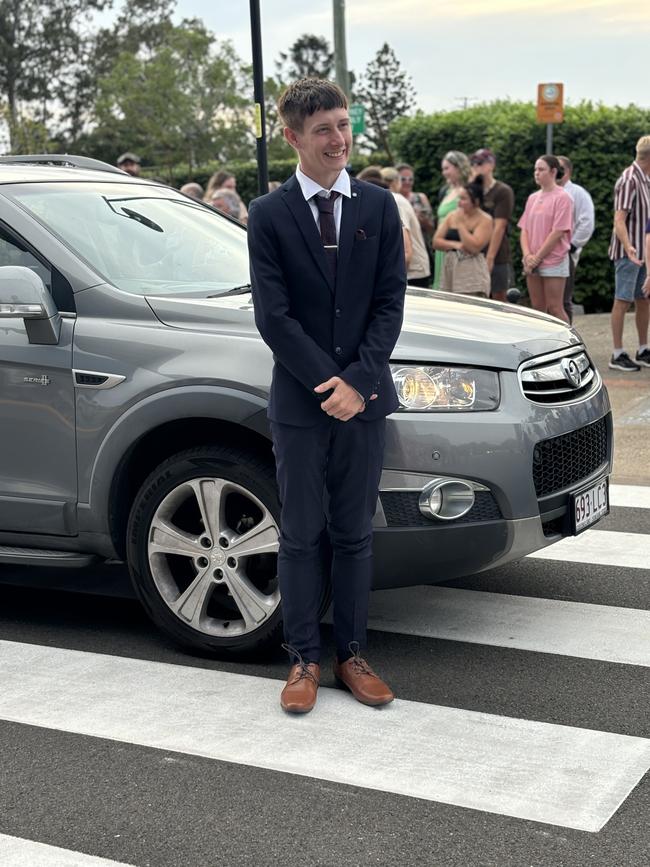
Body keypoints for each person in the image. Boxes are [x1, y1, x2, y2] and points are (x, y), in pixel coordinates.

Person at [247, 78, 406, 714]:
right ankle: (303, 657)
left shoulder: (377, 207)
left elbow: (390, 303)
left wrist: (360, 382)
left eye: (342, 125)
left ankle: (352, 653)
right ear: (292, 137)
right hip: (302, 404)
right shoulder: (267, 215)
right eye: (323, 129)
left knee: (354, 533)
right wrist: (328, 384)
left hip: (365, 400)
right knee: (302, 533)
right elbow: (273, 317)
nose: (338, 138)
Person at [607, 135, 650, 371]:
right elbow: (619, 220)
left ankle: (643, 349)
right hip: (628, 252)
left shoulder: (645, 179)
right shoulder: (629, 180)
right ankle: (617, 353)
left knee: (644, 299)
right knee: (622, 300)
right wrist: (628, 246)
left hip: (644, 252)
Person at [518, 155, 573, 322]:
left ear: (553, 171)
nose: (536, 173)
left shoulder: (563, 197)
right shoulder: (532, 198)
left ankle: (569, 344)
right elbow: (524, 229)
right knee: (537, 309)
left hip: (553, 260)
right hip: (532, 261)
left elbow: (558, 232)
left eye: (541, 169)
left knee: (555, 308)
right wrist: (528, 256)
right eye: (535, 169)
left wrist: (538, 257)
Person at [433, 175, 493, 296]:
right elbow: (436, 242)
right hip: (450, 267)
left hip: (471, 271)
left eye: (463, 199)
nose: (459, 203)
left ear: (475, 201)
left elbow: (474, 247)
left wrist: (460, 225)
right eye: (459, 198)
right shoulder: (451, 216)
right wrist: (455, 244)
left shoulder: (485, 220)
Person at [469, 148, 515, 302]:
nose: (476, 166)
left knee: (498, 300)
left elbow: (499, 226)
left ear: (491, 165)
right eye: (473, 163)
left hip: (496, 253)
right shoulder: (473, 191)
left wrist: (490, 258)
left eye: (480, 163)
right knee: (475, 299)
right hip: (474, 252)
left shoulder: (503, 191)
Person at [557, 155, 595, 323]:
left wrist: (572, 246)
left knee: (563, 300)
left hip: (565, 253)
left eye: (561, 169)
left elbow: (587, 221)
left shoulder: (578, 193)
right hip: (546, 254)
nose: (557, 173)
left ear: (569, 171)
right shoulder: (546, 193)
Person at [381, 166, 432, 287]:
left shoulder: (396, 200)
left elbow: (406, 246)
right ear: (396, 182)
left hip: (413, 271)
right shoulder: (394, 198)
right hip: (412, 270)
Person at [433, 151, 471, 289]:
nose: (444, 173)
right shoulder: (446, 191)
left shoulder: (467, 191)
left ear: (459, 167)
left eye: (447, 168)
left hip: (458, 249)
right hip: (442, 248)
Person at [396, 163, 435, 272]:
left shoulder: (420, 198)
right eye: (403, 179)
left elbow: (432, 227)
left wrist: (421, 219)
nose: (407, 182)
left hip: (418, 247)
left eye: (410, 179)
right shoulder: (392, 199)